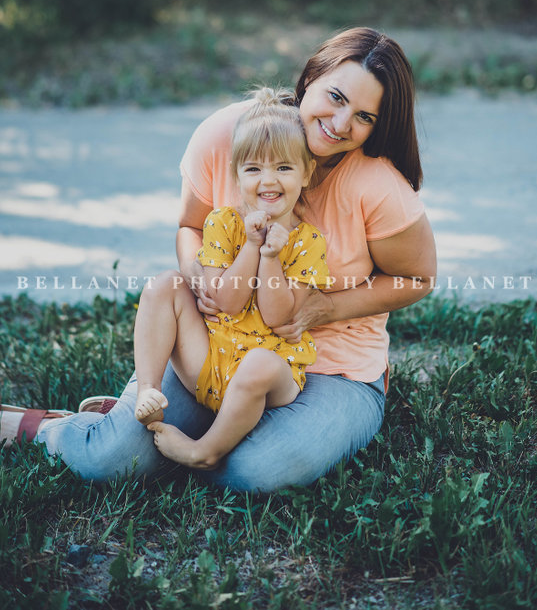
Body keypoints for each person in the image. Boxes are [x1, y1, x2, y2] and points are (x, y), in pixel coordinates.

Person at [0, 27, 436, 492]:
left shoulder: (376, 184)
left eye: (364, 116)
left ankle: (192, 437)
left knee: (254, 470)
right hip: (220, 347)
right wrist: (198, 277)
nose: (342, 123)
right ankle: (51, 426)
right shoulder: (229, 136)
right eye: (335, 96)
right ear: (311, 77)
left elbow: (418, 278)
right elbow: (190, 226)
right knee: (111, 460)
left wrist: (327, 308)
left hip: (331, 366)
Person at [133, 88, 331, 469]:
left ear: (306, 173)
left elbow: (278, 317)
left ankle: (204, 451)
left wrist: (272, 256)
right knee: (164, 284)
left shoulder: (309, 242)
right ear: (237, 176)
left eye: (283, 168)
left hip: (269, 376)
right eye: (253, 168)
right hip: (211, 359)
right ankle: (147, 391)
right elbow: (226, 302)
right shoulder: (223, 222)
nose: (267, 180)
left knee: (259, 362)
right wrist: (253, 246)